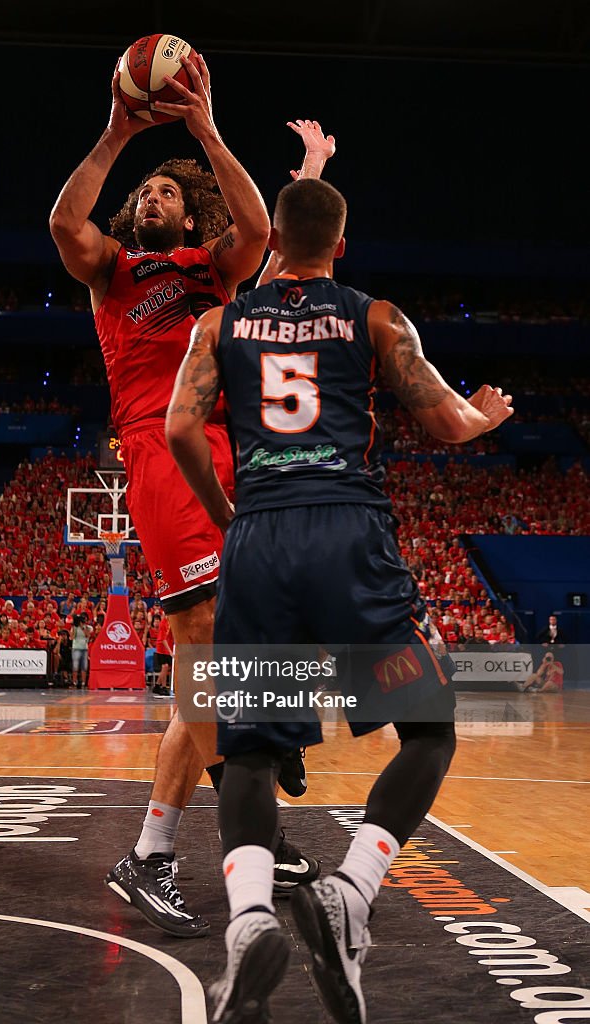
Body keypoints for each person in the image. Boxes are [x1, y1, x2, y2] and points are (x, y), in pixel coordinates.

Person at [166, 177, 515, 1022]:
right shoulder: (375, 318)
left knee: (246, 749)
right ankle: (350, 893)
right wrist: (487, 417)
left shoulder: (220, 323)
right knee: (428, 732)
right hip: (349, 540)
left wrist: (230, 515)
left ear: (273, 243)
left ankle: (249, 926)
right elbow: (447, 420)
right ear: (340, 246)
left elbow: (179, 427)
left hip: (260, 541)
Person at [50, 48, 324, 934]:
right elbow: (64, 223)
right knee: (202, 639)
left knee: (220, 656)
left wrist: (205, 128)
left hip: (228, 451)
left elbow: (259, 229)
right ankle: (258, 827)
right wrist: (116, 131)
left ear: (187, 208)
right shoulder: (112, 274)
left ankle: (155, 852)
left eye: (168, 193)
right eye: (146, 195)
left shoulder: (213, 268)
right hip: (161, 450)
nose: (152, 198)